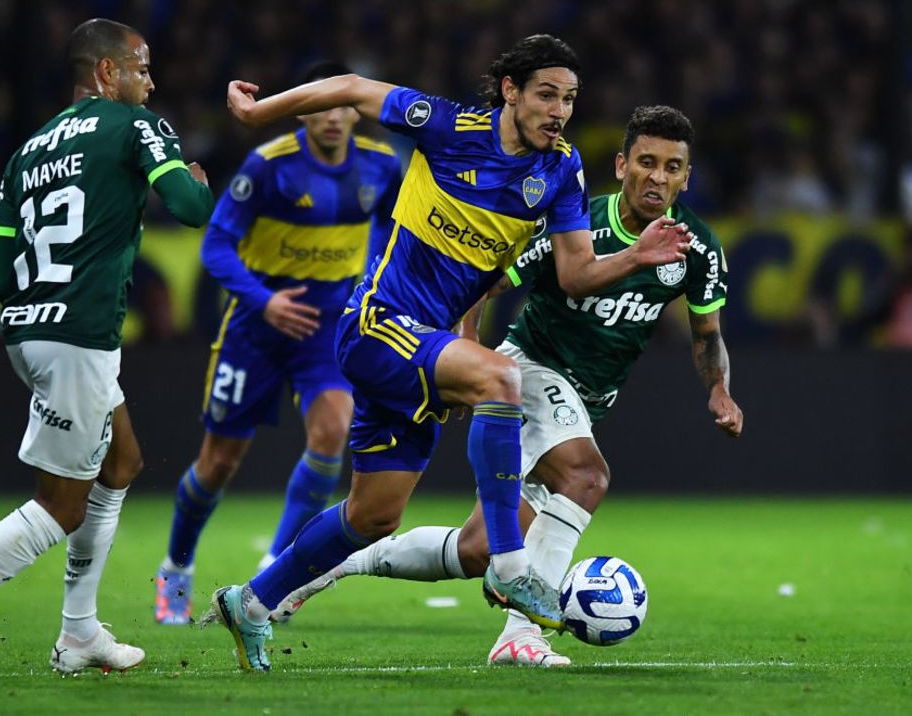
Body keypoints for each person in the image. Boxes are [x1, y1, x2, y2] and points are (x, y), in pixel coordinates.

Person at [203, 35, 694, 672]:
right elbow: (353, 87)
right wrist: (256, 111)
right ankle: (513, 568)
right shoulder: (448, 125)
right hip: (378, 323)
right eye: (546, 94)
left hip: (422, 351)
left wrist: (634, 256)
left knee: (372, 516)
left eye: (569, 99)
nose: (559, 111)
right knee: (500, 377)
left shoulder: (560, 171)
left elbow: (575, 273)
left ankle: (251, 602)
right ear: (511, 91)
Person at [272, 105, 744, 668]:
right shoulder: (577, 226)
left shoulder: (698, 246)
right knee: (586, 475)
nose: (658, 177)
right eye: (646, 162)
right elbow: (484, 285)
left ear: (686, 177)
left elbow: (707, 333)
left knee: (476, 552)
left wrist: (719, 388)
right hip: (532, 370)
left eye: (672, 167)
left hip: (584, 404)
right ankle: (523, 636)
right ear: (621, 166)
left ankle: (341, 559)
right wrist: (467, 359)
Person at [0, 18, 214, 684]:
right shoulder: (135, 127)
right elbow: (190, 206)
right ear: (108, 73)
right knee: (60, 505)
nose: (153, 81)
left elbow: (2, 272)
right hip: (79, 335)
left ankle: (80, 631)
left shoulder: (28, 151)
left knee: (122, 459)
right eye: (143, 68)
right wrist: (195, 180)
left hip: (30, 328)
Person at [154, 60, 402, 625]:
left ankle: (272, 578)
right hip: (257, 327)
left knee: (334, 432)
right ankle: (176, 570)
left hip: (327, 327)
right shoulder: (269, 167)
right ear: (303, 108)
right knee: (218, 463)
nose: (334, 117)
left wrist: (374, 275)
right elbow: (216, 245)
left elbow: (397, 226)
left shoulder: (383, 166)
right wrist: (264, 299)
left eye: (344, 105)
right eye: (321, 106)